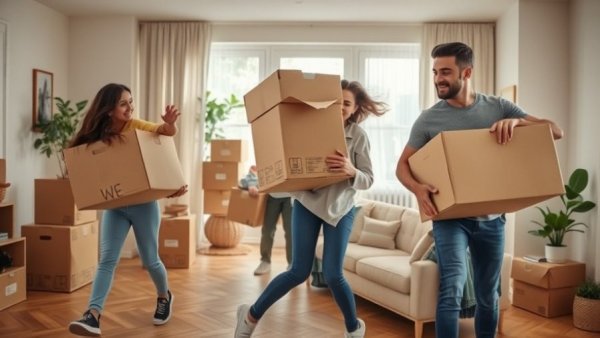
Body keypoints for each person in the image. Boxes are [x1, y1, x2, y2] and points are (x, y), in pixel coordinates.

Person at [396, 42, 563, 338]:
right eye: (435, 72)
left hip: (492, 220)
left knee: (488, 294)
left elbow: (556, 131)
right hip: (449, 220)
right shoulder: (429, 119)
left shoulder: (498, 107)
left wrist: (518, 122)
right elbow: (402, 166)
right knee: (452, 287)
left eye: (445, 72)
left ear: (467, 71)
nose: (438, 79)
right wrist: (419, 190)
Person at [234, 79, 387, 338]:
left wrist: (351, 170)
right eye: (337, 102)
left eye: (347, 103)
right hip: (307, 202)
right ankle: (250, 316)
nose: (341, 107)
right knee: (297, 271)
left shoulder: (358, 136)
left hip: (340, 209)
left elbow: (369, 178)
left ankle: (353, 328)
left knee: (333, 274)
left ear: (355, 108)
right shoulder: (311, 126)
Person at [67, 83, 188, 336]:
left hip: (144, 205)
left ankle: (164, 296)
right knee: (107, 260)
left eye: (131, 102)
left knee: (150, 260)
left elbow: (164, 133)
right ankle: (93, 314)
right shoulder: (96, 135)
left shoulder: (136, 126)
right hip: (115, 207)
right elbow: (83, 163)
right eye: (124, 103)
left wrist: (170, 124)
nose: (130, 107)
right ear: (108, 109)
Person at [239, 165, 293, 275]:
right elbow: (249, 175)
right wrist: (252, 185)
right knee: (267, 230)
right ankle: (265, 261)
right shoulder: (268, 153)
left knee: (290, 232)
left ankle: (292, 264)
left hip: (290, 195)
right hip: (272, 195)